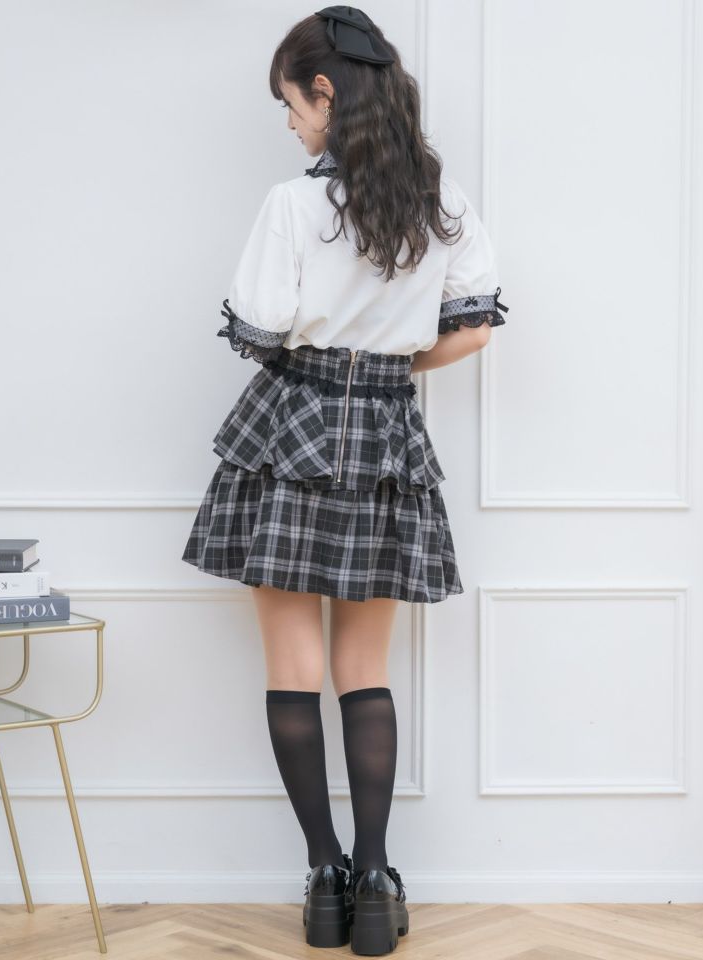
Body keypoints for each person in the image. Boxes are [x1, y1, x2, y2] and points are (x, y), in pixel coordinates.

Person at [181, 5, 509, 955]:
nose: (290, 124)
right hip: (386, 435)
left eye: (291, 105)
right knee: (364, 671)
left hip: (289, 427)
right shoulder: (440, 201)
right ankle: (373, 880)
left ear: (325, 93)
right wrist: (391, 365)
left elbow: (260, 327)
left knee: (293, 669)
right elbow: (473, 330)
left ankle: (322, 877)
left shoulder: (293, 205)